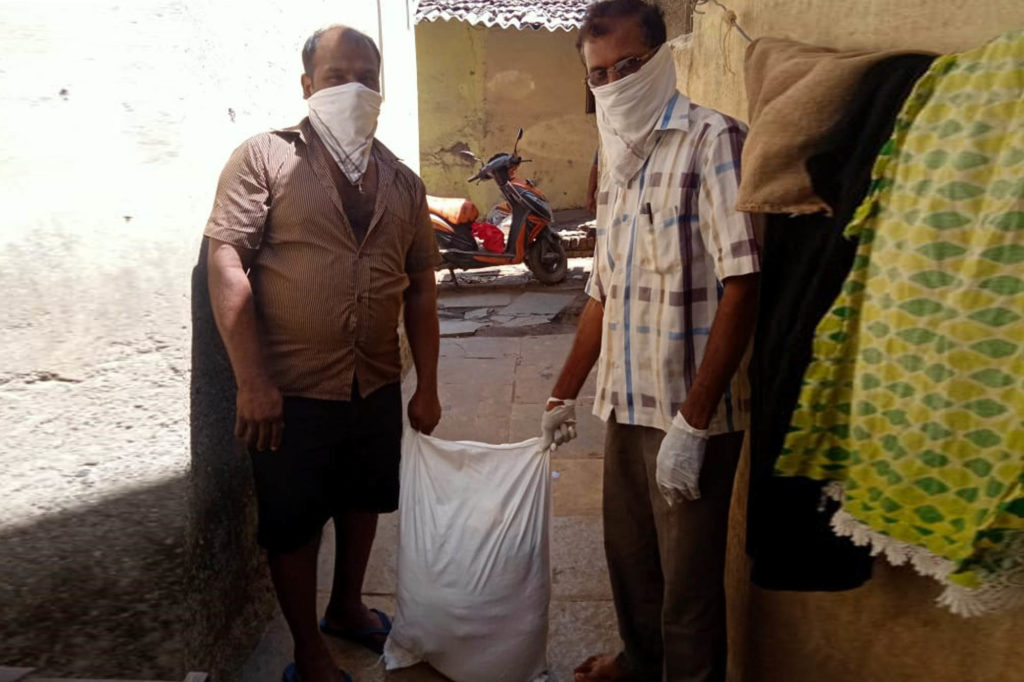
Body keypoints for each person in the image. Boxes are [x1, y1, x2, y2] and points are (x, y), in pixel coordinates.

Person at [204, 25, 441, 682]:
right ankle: (309, 652)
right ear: (308, 85)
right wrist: (252, 380)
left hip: (376, 379)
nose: (354, 89)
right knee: (294, 521)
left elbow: (422, 286)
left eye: (368, 77)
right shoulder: (264, 158)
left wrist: (427, 384)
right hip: (290, 387)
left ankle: (347, 607)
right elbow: (225, 259)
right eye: (338, 76)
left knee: (365, 499)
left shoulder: (403, 181)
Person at [540, 2, 761, 681]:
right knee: (631, 564)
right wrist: (562, 393)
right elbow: (602, 291)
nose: (615, 82)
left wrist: (694, 423)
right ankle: (638, 666)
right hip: (625, 402)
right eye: (600, 74)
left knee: (687, 593)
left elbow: (743, 283)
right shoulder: (614, 158)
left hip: (690, 412)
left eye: (629, 65)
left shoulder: (713, 140)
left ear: (662, 58)